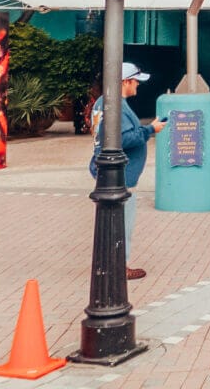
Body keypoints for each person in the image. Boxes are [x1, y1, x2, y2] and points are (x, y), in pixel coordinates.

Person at [88, 62, 166, 280]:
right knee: (122, 223)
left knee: (110, 223)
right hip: (120, 176)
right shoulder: (115, 105)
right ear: (125, 82)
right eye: (136, 82)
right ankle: (119, 266)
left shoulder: (102, 103)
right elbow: (121, 139)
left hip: (107, 173)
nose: (138, 87)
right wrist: (150, 130)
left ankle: (108, 263)